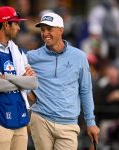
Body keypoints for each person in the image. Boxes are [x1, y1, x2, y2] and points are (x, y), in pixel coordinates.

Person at [26, 12, 100, 150]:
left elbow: (85, 90)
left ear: (61, 30)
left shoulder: (79, 56)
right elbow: (14, 72)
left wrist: (91, 122)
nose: (45, 33)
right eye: (42, 30)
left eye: (50, 29)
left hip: (68, 124)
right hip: (40, 119)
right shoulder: (31, 57)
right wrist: (27, 91)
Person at [0, 6, 38, 150]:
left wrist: (8, 77)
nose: (19, 28)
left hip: (19, 113)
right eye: (15, 23)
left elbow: (33, 82)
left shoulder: (17, 50)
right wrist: (22, 81)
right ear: (5, 24)